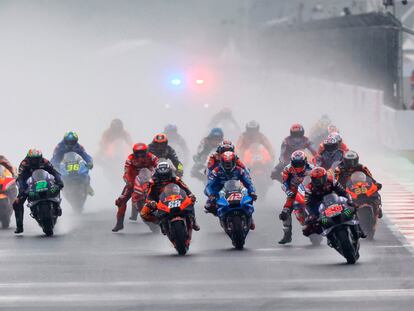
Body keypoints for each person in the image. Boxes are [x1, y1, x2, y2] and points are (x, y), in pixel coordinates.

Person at [13, 149, 64, 234]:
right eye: (33, 159)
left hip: (44, 181)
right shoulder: (24, 164)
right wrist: (22, 190)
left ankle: (57, 206)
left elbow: (54, 172)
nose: (35, 161)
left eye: (37, 159)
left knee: (57, 185)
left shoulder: (45, 162)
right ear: (28, 158)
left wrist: (59, 182)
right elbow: (21, 178)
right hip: (30, 183)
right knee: (17, 203)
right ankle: (19, 227)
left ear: (40, 157)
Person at [204, 151, 257, 229]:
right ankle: (221, 215)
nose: (228, 165)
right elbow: (208, 186)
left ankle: (250, 216)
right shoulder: (216, 171)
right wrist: (211, 195)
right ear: (221, 162)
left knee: (249, 196)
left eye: (230, 163)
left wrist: (252, 191)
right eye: (226, 163)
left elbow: (249, 183)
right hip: (220, 190)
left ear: (234, 161)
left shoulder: (240, 170)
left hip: (236, 188)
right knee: (208, 206)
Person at [112, 143, 158, 232]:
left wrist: (162, 173)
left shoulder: (151, 157)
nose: (140, 156)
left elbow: (158, 164)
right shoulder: (130, 159)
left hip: (150, 180)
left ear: (146, 152)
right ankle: (119, 223)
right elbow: (126, 171)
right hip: (133, 182)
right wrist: (128, 181)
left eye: (142, 153)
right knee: (121, 200)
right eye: (138, 153)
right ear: (134, 152)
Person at [140, 162, 199, 231]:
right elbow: (147, 194)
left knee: (191, 201)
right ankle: (160, 222)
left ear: (169, 172)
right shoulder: (151, 182)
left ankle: (193, 221)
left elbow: (185, 188)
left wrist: (191, 195)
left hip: (176, 197)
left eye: (166, 175)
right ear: (157, 174)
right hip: (158, 201)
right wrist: (151, 202)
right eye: (162, 175)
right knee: (143, 213)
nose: (164, 178)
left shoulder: (176, 179)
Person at [302, 167, 355, 237]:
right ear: (312, 180)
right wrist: (311, 215)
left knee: (353, 207)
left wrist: (350, 201)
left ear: (325, 177)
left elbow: (344, 193)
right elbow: (307, 204)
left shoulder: (332, 181)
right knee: (307, 226)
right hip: (320, 206)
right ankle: (323, 232)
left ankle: (358, 229)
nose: (320, 182)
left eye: (321, 179)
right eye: (317, 180)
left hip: (335, 201)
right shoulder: (309, 188)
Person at [278, 150, 313, 244]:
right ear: (292, 162)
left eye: (300, 163)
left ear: (305, 161)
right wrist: (288, 191)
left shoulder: (311, 168)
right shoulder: (287, 169)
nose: (298, 166)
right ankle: (287, 236)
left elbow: (318, 178)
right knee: (285, 213)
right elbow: (284, 183)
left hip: (309, 189)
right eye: (295, 163)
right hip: (294, 191)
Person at [335, 150, 382, 218]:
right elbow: (335, 181)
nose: (351, 163)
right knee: (342, 203)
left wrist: (376, 183)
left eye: (353, 161)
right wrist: (338, 190)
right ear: (345, 160)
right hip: (346, 189)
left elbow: (370, 177)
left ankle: (378, 207)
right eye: (349, 161)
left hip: (361, 186)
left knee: (375, 191)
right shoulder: (339, 169)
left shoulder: (362, 167)